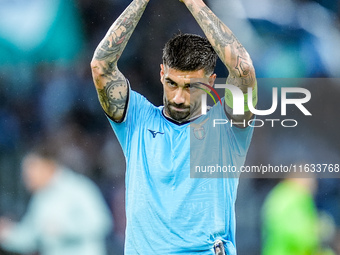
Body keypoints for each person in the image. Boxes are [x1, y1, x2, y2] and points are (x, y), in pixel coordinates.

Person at [90, 0, 256, 254]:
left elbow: (243, 71)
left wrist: (193, 3)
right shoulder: (137, 118)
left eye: (190, 87)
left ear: (211, 82)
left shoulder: (226, 125)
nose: (178, 97)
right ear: (161, 74)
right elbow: (101, 66)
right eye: (172, 83)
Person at [0, 145, 113, 255]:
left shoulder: (79, 188)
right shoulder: (40, 197)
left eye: (30, 170)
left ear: (48, 166)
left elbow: (102, 223)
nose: (26, 177)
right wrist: (7, 234)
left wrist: (65, 228)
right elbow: (31, 236)